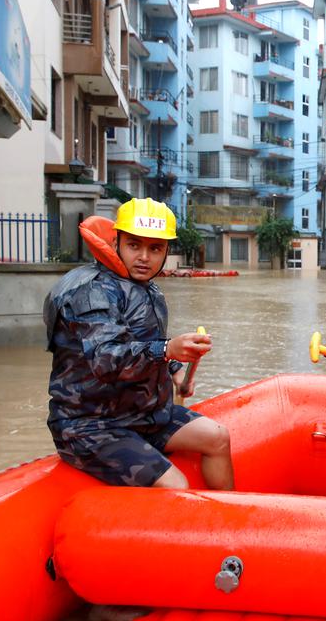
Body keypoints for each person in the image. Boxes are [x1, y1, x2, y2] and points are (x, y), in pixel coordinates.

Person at [44, 198, 234, 490]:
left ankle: (230, 524)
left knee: (218, 437)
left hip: (142, 415)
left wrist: (174, 369)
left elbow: (145, 342)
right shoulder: (92, 292)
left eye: (155, 248)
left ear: (166, 251)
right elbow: (106, 359)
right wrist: (167, 349)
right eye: (135, 245)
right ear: (117, 241)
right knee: (175, 486)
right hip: (90, 426)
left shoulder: (145, 288)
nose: (144, 257)